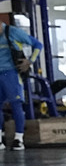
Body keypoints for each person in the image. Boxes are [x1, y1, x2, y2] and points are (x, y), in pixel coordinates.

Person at [0, 16, 43, 151]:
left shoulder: (13, 32)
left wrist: (30, 61)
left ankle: (19, 139)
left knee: (16, 104)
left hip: (11, 73)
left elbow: (38, 45)